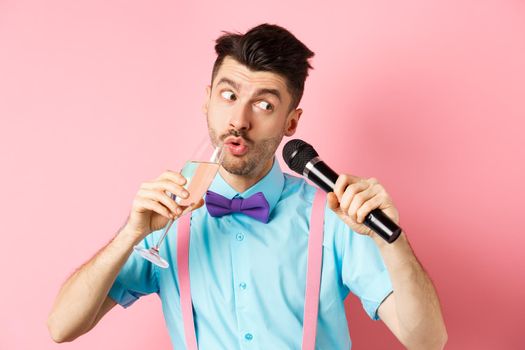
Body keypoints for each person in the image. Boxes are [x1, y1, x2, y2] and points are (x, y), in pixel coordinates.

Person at [47, 23, 447, 349]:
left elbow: (428, 341)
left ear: (291, 122)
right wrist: (130, 235)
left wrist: (392, 242)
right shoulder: (164, 212)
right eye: (228, 95)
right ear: (207, 101)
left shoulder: (335, 215)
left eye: (264, 104)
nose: (239, 119)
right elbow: (61, 327)